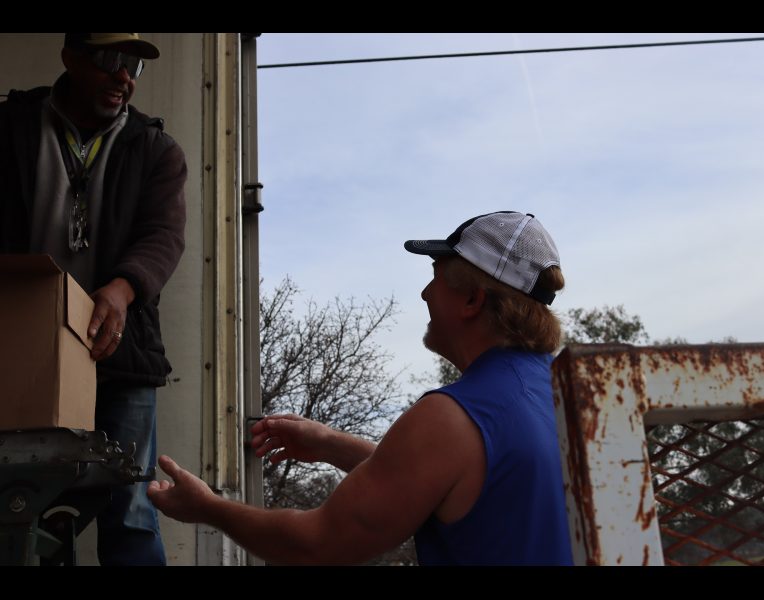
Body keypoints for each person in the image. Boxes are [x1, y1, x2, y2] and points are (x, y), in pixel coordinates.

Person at [148, 211, 572, 565]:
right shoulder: (565, 400)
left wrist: (208, 508)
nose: (425, 293)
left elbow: (317, 544)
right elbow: (445, 480)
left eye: (436, 276)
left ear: (472, 301)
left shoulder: (455, 417)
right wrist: (330, 443)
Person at [0, 33, 187, 565]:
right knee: (20, 496)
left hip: (120, 354)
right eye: (110, 60)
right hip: (22, 345)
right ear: (70, 58)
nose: (123, 77)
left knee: (130, 505)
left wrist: (122, 290)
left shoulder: (156, 148)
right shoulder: (11, 126)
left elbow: (164, 236)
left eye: (133, 66)